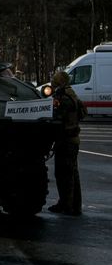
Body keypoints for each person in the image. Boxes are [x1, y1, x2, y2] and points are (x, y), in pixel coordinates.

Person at [49, 70, 84, 216]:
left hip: (66, 140)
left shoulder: (64, 97)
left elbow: (57, 116)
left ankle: (67, 205)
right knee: (71, 174)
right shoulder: (71, 94)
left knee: (65, 174)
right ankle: (72, 204)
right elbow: (83, 113)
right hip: (72, 139)